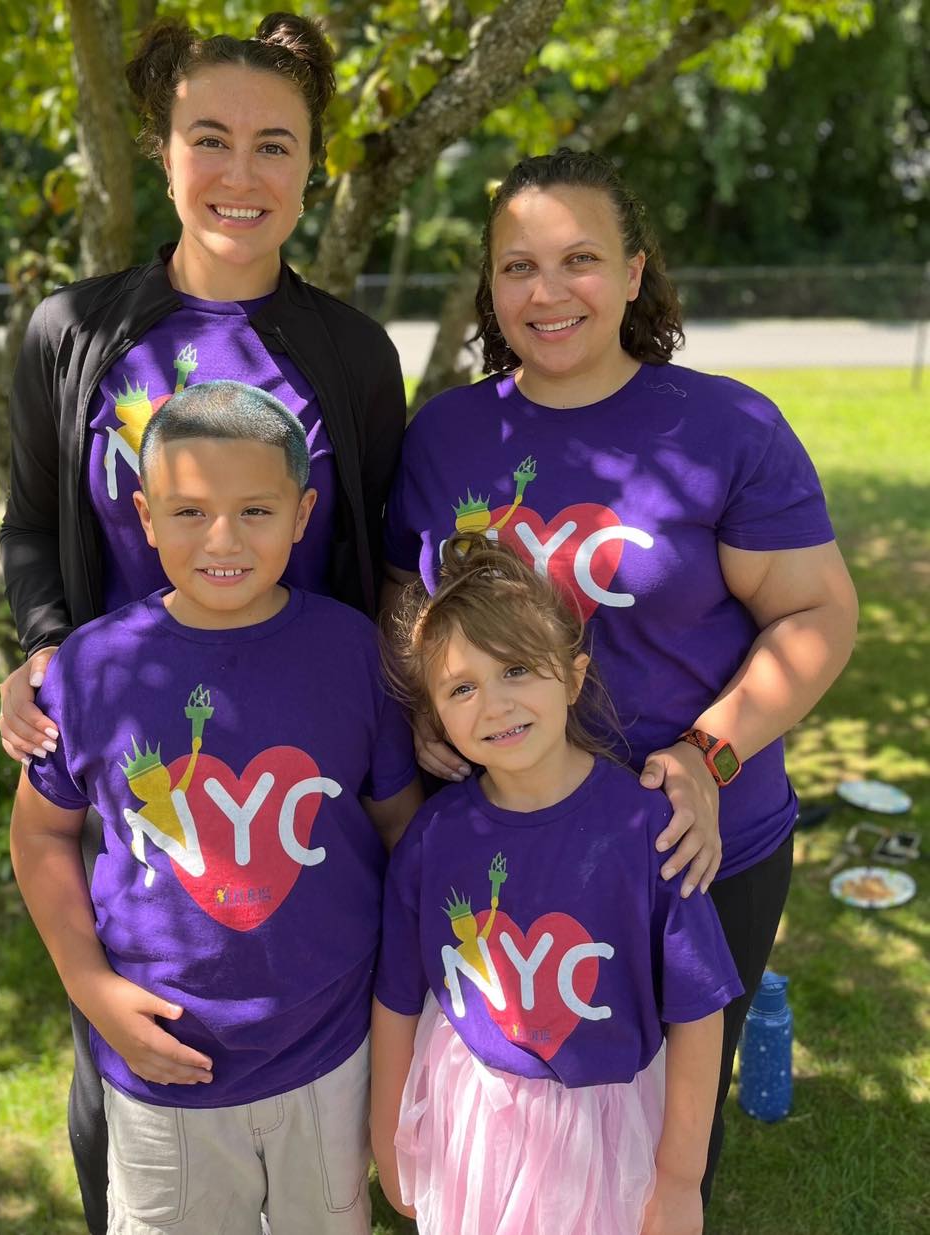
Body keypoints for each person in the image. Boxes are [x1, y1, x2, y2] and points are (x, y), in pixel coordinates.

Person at [380, 149, 858, 1202]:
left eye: (580, 259)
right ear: (490, 286)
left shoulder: (725, 428)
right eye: (519, 266)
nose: (548, 291)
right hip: (505, 851)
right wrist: (425, 707)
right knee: (512, 1121)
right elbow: (411, 606)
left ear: (635, 272)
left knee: (662, 1150)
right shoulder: (446, 436)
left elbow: (818, 613)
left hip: (693, 848)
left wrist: (708, 751)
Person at [0, 14, 406, 1229]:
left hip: (295, 775)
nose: (242, 172)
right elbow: (32, 528)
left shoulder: (350, 355)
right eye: (210, 138)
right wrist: (41, 649)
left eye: (275, 144)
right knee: (131, 1113)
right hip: (138, 777)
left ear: (313, 166)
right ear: (162, 150)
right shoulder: (73, 335)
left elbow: (374, 563)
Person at [11, 380, 420, 1235]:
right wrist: (90, 987)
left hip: (331, 1054)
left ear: (304, 514)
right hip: (162, 1068)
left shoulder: (352, 652)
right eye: (190, 512)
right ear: (144, 517)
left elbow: (400, 830)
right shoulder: (91, 668)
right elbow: (43, 832)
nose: (223, 539)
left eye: (256, 511)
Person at [371, 538, 743, 1234]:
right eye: (461, 688)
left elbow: (698, 1011)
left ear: (573, 678)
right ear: (434, 713)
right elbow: (396, 999)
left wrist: (679, 1176)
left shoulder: (647, 828)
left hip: (604, 1131)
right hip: (474, 1121)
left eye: (516, 669)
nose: (494, 704)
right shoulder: (433, 838)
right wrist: (389, 1139)